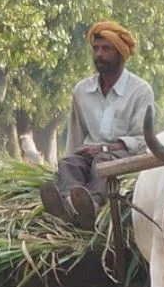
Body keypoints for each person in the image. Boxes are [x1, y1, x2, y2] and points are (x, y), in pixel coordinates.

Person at [40, 20, 155, 227]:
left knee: (102, 161)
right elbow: (76, 136)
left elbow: (141, 140)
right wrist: (74, 155)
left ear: (120, 54)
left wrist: (104, 148)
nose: (99, 54)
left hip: (124, 158)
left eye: (106, 49)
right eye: (96, 49)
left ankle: (90, 204)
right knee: (68, 164)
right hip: (89, 156)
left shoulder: (140, 91)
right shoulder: (82, 91)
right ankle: (67, 204)